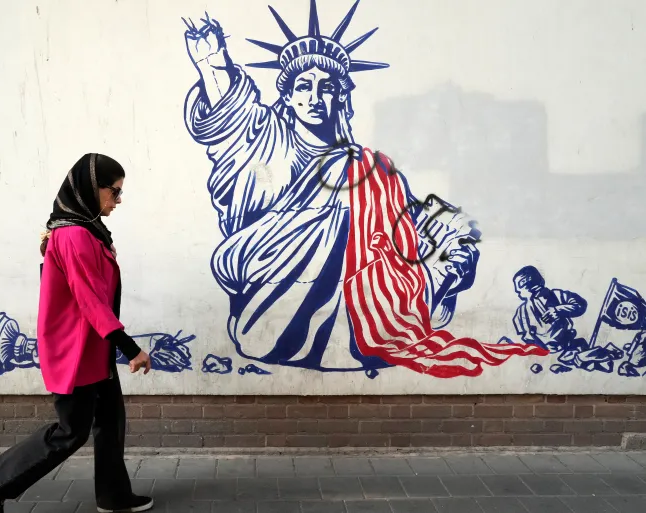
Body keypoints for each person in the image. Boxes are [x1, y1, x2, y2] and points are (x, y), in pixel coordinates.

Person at [182, 1, 546, 378]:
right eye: (303, 87)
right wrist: (213, 65)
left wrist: (449, 230)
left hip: (362, 295)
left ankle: (366, 328)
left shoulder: (370, 167)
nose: (314, 97)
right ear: (288, 96)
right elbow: (230, 117)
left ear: (341, 96)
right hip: (268, 280)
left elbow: (403, 220)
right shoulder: (265, 139)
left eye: (327, 88)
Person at [0, 153, 154, 513]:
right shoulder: (73, 235)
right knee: (70, 433)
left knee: (110, 421)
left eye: (121, 193)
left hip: (93, 347)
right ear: (90, 187)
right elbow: (90, 300)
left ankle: (113, 496)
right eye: (114, 192)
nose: (118, 201)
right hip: (75, 349)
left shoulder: (88, 230)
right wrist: (130, 348)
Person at [512, 265, 588, 353]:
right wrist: (540, 346)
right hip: (544, 354)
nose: (517, 290)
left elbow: (581, 304)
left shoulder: (556, 295)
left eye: (519, 285)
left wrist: (558, 310)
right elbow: (524, 337)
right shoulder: (521, 312)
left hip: (569, 346)